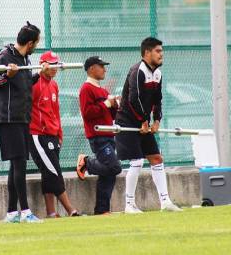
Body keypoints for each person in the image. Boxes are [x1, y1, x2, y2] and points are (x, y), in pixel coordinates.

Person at [0, 22, 48, 223]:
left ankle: (12, 212)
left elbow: (24, 83)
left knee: (16, 165)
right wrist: (7, 74)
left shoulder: (25, 58)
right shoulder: (4, 55)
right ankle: (26, 212)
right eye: (37, 42)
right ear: (30, 43)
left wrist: (40, 74)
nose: (37, 46)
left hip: (22, 117)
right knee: (19, 163)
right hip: (8, 117)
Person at [115, 37, 182, 213]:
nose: (161, 54)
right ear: (147, 53)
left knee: (156, 159)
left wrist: (157, 120)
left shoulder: (158, 73)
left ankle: (165, 202)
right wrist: (143, 121)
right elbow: (133, 99)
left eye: (161, 51)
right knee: (137, 161)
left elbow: (157, 99)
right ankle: (129, 204)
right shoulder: (138, 71)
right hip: (127, 121)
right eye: (158, 51)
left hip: (142, 120)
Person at [29, 51, 79, 218]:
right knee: (54, 172)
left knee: (48, 173)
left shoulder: (54, 85)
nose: (55, 68)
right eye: (51, 64)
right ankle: (70, 209)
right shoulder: (35, 84)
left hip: (52, 134)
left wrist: (59, 132)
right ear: (42, 64)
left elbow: (55, 111)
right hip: (37, 135)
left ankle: (51, 212)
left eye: (56, 64)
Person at [76, 56, 122, 215]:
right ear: (91, 69)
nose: (104, 69)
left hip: (108, 134)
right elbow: (87, 113)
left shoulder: (103, 91)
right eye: (101, 66)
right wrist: (106, 104)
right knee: (114, 167)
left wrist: (115, 105)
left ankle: (102, 210)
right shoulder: (86, 89)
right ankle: (86, 162)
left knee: (108, 173)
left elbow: (109, 114)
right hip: (98, 136)